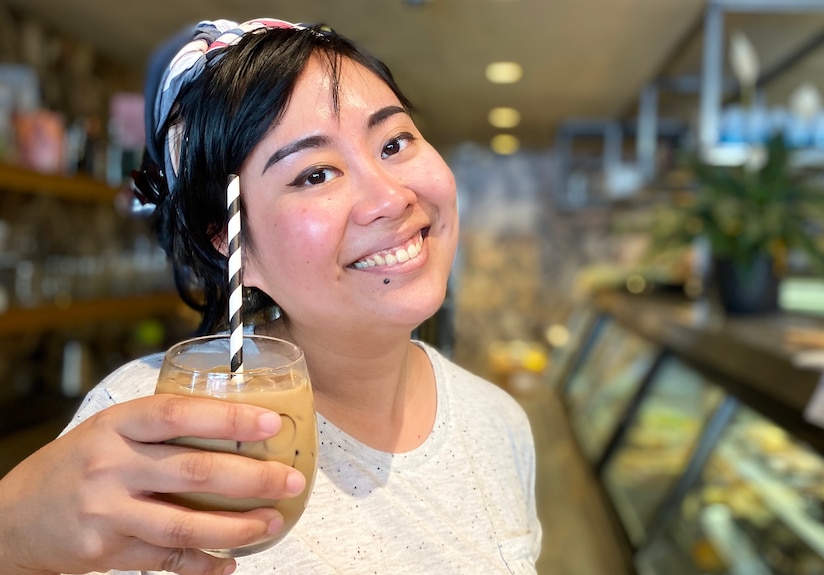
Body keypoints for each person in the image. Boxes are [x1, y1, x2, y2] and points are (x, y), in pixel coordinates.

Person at [0, 18, 541, 575]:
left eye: (394, 142)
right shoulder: (150, 431)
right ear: (233, 243)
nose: (389, 197)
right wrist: (12, 535)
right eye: (314, 174)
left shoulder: (498, 424)